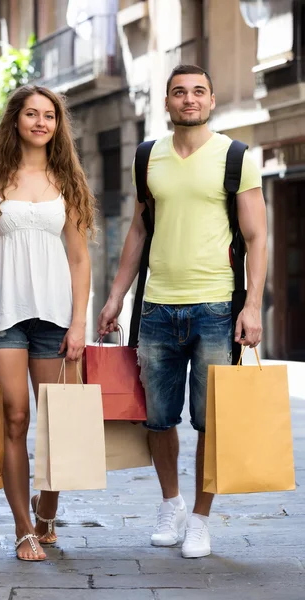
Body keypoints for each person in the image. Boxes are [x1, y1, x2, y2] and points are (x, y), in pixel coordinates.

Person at [98, 64, 267, 559]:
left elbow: (257, 238)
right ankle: (170, 504)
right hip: (156, 309)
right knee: (157, 419)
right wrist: (116, 297)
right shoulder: (147, 157)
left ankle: (200, 517)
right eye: (179, 92)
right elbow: (138, 231)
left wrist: (252, 306)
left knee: (211, 421)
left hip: (217, 307)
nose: (188, 99)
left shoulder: (236, 157)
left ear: (211, 100)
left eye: (198, 91)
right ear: (167, 102)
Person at [0, 85, 94, 561]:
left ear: (57, 125)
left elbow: (79, 259)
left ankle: (47, 511)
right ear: (15, 120)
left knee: (60, 426)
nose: (40, 122)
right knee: (15, 418)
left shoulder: (67, 180)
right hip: (0, 316)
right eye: (31, 114)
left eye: (49, 116)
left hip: (56, 318)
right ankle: (23, 527)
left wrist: (79, 323)